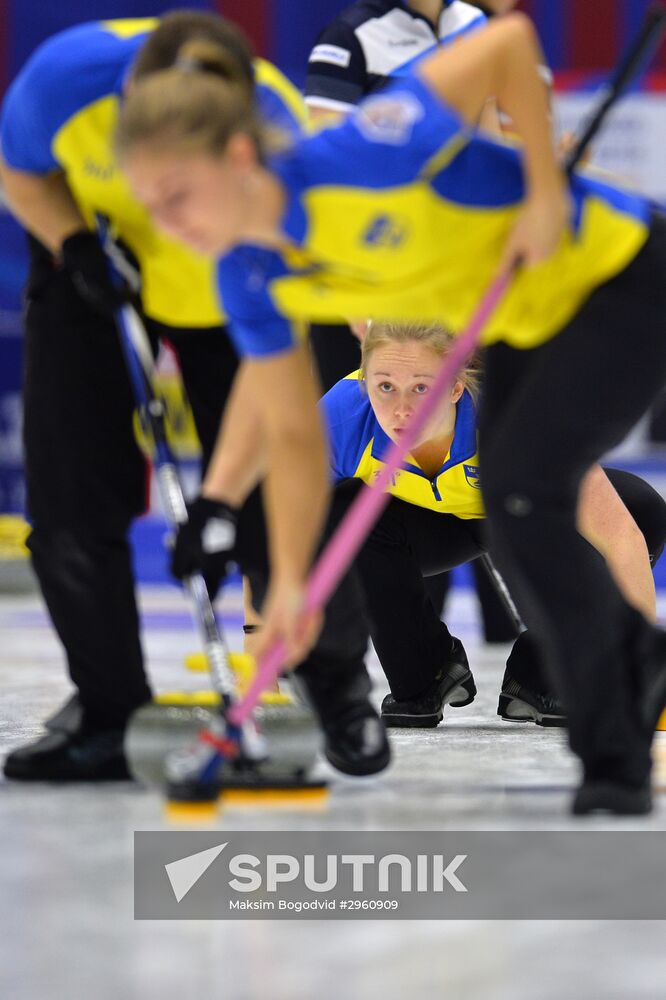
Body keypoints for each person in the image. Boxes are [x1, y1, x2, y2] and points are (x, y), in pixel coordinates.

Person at [115, 13, 666, 815]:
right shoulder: (250, 273)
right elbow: (297, 441)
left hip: (614, 277)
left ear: (237, 158)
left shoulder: (368, 147)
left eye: (176, 197)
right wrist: (291, 592)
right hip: (522, 318)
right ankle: (620, 728)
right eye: (149, 208)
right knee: (514, 508)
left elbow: (508, 44)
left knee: (523, 488)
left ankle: (625, 682)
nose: (168, 228)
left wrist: (545, 192)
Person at [0, 11, 306, 782]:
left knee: (268, 494)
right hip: (98, 259)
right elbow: (21, 169)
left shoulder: (277, 125)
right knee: (70, 493)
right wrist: (72, 244)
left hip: (229, 283)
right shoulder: (65, 82)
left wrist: (220, 499)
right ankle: (110, 712)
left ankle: (306, 693)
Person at [320, 321, 666, 727]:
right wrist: (263, 648)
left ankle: (541, 672)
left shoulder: (515, 411)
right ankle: (427, 669)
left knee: (640, 509)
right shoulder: (341, 417)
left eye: (421, 388)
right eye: (384, 387)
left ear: (454, 389)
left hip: (520, 515)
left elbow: (620, 536)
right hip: (419, 529)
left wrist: (641, 676)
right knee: (338, 514)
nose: (401, 410)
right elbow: (273, 527)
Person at [304, 0, 518, 642]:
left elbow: (493, 144)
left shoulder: (473, 26)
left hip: (458, 272)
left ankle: (509, 625)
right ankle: (411, 646)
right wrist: (358, 310)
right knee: (376, 446)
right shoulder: (349, 39)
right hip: (376, 271)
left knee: (480, 435)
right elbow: (327, 174)